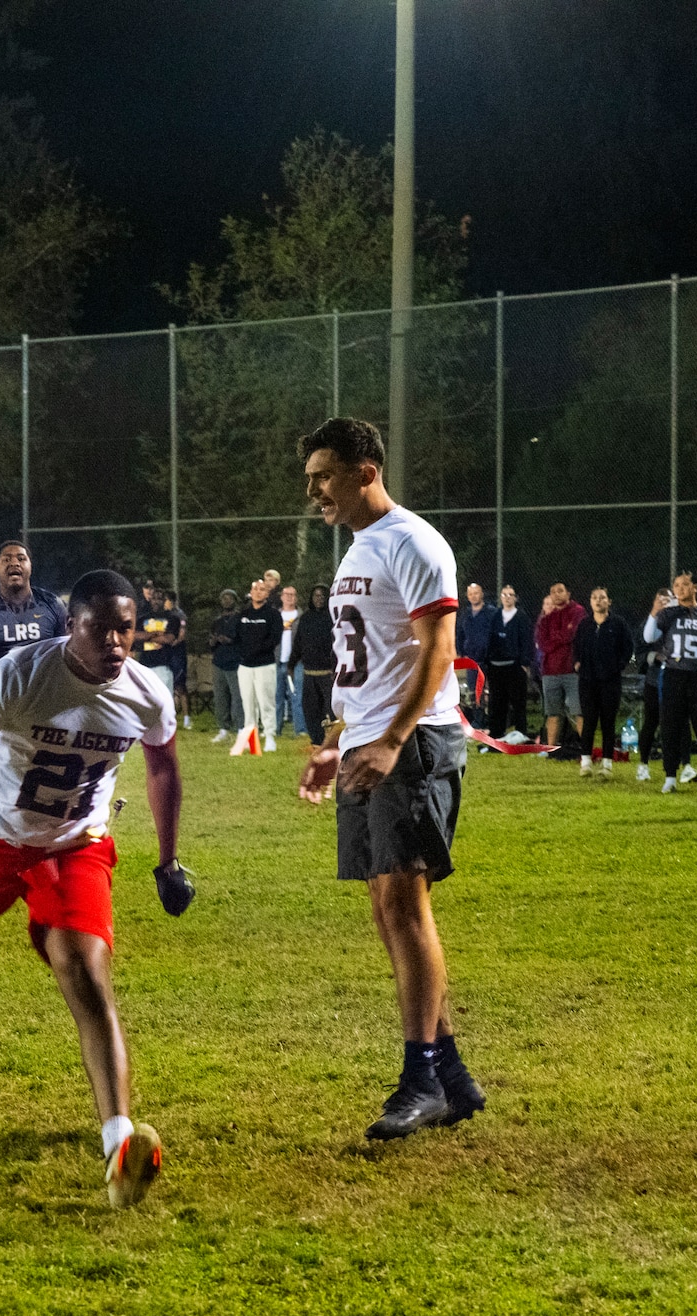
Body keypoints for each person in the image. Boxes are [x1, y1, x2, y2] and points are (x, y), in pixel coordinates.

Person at [0, 569, 190, 1208]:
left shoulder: (146, 693)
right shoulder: (20, 675)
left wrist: (168, 861)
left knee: (86, 972)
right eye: (99, 629)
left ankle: (118, 1144)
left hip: (73, 845)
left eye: (125, 629)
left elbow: (163, 768)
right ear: (70, 626)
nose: (115, 642)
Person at [295, 417, 484, 1141]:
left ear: (365, 471)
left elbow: (439, 648)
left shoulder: (413, 541)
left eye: (324, 475)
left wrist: (393, 739)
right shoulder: (358, 548)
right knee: (387, 908)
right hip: (367, 743)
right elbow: (367, 667)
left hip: (413, 743)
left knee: (405, 904)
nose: (315, 490)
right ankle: (452, 1074)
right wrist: (335, 742)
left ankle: (422, 1078)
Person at [643, 572, 697, 793]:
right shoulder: (667, 613)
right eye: (677, 585)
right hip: (674, 674)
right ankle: (670, 777)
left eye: (685, 584)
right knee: (670, 727)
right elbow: (649, 637)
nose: (680, 588)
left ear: (695, 587)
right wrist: (654, 611)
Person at [0, 540, 68, 675]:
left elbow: (69, 651)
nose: (14, 563)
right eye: (6, 559)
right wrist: (8, 682)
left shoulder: (53, 604)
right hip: (0, 683)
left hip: (44, 682)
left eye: (21, 559)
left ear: (30, 566)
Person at [571, 586, 633, 775]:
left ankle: (607, 763)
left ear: (609, 601)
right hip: (588, 680)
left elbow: (628, 648)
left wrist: (619, 665)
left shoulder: (618, 624)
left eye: (602, 597)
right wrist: (577, 663)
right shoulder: (585, 624)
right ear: (590, 602)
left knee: (608, 722)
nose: (598, 601)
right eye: (594, 597)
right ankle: (586, 762)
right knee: (588, 720)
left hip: (610, 681)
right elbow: (576, 646)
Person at [230, 579, 283, 754]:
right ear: (250, 593)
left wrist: (256, 651)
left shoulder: (273, 614)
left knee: (266, 702)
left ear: (267, 594)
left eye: (262, 589)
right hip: (245, 666)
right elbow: (235, 637)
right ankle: (251, 740)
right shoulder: (243, 614)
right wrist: (243, 654)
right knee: (248, 703)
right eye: (255, 589)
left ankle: (270, 737)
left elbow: (274, 639)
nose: (258, 592)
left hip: (264, 665)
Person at [534, 582, 586, 751]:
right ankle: (550, 749)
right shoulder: (546, 619)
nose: (556, 594)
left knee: (579, 711)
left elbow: (575, 634)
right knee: (552, 713)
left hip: (572, 670)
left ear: (568, 593)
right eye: (553, 592)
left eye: (560, 591)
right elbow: (543, 644)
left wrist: (555, 637)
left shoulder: (578, 612)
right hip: (550, 671)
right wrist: (563, 636)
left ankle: (586, 750)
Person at [480, 585, 533, 740]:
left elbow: (526, 641)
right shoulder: (495, 616)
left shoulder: (521, 617)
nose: (507, 597)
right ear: (501, 597)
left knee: (518, 702)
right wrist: (488, 661)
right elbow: (490, 639)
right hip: (496, 666)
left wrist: (524, 663)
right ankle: (496, 733)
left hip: (514, 666)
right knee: (496, 702)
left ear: (516, 598)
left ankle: (521, 733)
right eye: (504, 594)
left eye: (511, 594)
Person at [634, 589, 671, 782]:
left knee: (679, 723)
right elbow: (640, 649)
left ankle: (685, 766)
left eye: (667, 599)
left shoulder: (677, 621)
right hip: (654, 679)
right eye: (660, 599)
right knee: (651, 721)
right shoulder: (648, 623)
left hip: (676, 678)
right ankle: (643, 764)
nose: (663, 602)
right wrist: (654, 656)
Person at [294, 582, 337, 744]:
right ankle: (317, 742)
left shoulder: (332, 617)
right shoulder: (306, 618)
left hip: (327, 673)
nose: (319, 599)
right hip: (309, 673)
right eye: (316, 596)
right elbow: (298, 642)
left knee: (331, 709)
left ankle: (333, 741)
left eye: (322, 596)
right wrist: (292, 663)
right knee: (311, 710)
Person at [133, 580, 185, 700]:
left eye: (160, 599)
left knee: (163, 701)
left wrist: (147, 636)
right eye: (154, 599)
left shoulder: (172, 618)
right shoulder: (142, 618)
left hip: (164, 665)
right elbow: (134, 635)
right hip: (145, 664)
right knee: (146, 702)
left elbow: (168, 639)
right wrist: (155, 634)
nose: (156, 601)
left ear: (164, 601)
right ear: (150, 600)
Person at [456, 583, 497, 730]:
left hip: (489, 659)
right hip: (472, 661)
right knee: (474, 692)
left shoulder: (491, 613)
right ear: (468, 596)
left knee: (492, 691)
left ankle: (493, 721)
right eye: (471, 594)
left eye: (476, 593)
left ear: (482, 594)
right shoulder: (465, 615)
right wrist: (462, 653)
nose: (474, 596)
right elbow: (459, 635)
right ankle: (478, 721)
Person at [208, 588, 244, 744]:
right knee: (220, 697)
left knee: (237, 698)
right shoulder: (217, 621)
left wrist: (229, 640)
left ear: (235, 601)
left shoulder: (240, 619)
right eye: (224, 598)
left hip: (235, 662)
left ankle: (241, 728)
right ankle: (223, 729)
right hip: (219, 662)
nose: (226, 601)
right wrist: (213, 641)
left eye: (230, 598)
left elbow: (243, 640)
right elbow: (211, 640)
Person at [275, 584, 304, 737]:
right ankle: (275, 729)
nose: (289, 597)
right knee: (276, 697)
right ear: (281, 597)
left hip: (297, 662)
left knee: (297, 696)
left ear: (296, 598)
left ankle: (300, 730)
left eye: (292, 594)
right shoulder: (275, 616)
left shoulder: (301, 617)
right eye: (286, 594)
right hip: (277, 661)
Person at [162, 590, 192, 730]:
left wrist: (172, 642)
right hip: (165, 653)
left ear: (172, 601)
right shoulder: (162, 615)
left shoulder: (180, 615)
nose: (164, 603)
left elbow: (182, 634)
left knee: (180, 685)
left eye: (166, 600)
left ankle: (187, 718)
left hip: (177, 653)